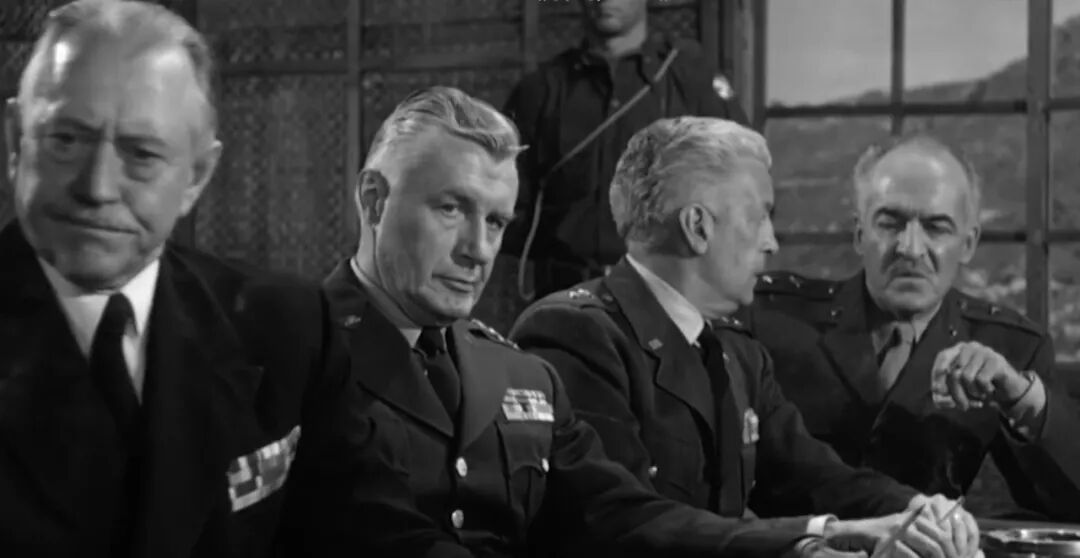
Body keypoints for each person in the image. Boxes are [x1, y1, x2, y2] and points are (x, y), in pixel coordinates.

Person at [323, 85, 927, 558]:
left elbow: (620, 514)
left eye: (498, 223)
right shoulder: (297, 351)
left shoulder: (515, 373)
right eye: (451, 209)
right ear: (373, 200)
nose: (479, 250)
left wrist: (812, 539)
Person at [510, 117, 981, 558]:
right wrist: (819, 537)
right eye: (760, 217)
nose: (772, 241)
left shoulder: (736, 349)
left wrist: (918, 510)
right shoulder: (577, 335)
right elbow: (623, 520)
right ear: (698, 227)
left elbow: (811, 476)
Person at [0, 1, 367, 555]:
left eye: (141, 154)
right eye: (66, 139)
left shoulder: (287, 328)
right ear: (15, 141)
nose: (97, 187)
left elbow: (368, 529)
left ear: (196, 175)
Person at [739, 134, 1080, 522]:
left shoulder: (1008, 346)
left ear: (968, 244)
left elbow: (1068, 505)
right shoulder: (774, 320)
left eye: (936, 227)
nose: (910, 248)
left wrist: (1021, 399)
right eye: (890, 223)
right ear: (859, 234)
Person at [501, 0, 749, 300]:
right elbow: (505, 201)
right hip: (566, 299)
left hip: (666, 298)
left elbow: (745, 188)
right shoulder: (542, 90)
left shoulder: (689, 82)